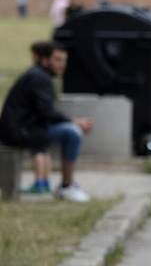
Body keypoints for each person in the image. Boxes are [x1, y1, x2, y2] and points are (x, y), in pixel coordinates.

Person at [0, 41, 93, 202]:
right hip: (19, 132)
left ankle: (48, 183)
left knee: (68, 131)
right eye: (57, 60)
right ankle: (66, 186)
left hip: (26, 128)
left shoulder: (40, 76)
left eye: (64, 61)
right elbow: (47, 112)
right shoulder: (38, 78)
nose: (62, 65)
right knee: (72, 133)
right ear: (44, 60)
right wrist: (74, 122)